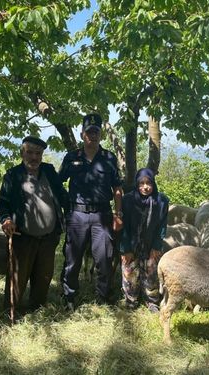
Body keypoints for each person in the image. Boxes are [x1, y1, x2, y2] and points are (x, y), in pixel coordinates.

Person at [0, 136, 69, 314]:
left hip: (49, 237)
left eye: (38, 153)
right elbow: (2, 204)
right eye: (29, 152)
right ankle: (11, 310)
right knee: (18, 277)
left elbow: (62, 195)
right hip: (23, 237)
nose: (34, 157)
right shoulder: (13, 175)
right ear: (22, 153)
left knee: (43, 277)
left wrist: (71, 215)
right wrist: (6, 219)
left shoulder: (49, 171)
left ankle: (37, 309)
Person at [59, 113, 123, 309]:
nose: (92, 136)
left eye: (96, 132)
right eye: (89, 132)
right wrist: (65, 204)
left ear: (100, 135)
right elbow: (57, 182)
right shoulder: (72, 157)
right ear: (82, 134)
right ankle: (69, 296)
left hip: (102, 215)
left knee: (104, 257)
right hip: (77, 214)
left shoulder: (109, 158)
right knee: (73, 258)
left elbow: (117, 188)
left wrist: (118, 214)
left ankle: (103, 296)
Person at [119, 168, 169, 313]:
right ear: (136, 184)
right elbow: (124, 226)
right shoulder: (127, 200)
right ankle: (131, 300)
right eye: (141, 183)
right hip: (131, 242)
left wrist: (157, 246)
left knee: (151, 272)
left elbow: (162, 225)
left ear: (153, 183)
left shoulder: (161, 201)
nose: (145, 187)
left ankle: (152, 301)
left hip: (151, 243)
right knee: (129, 271)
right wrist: (125, 248)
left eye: (148, 183)